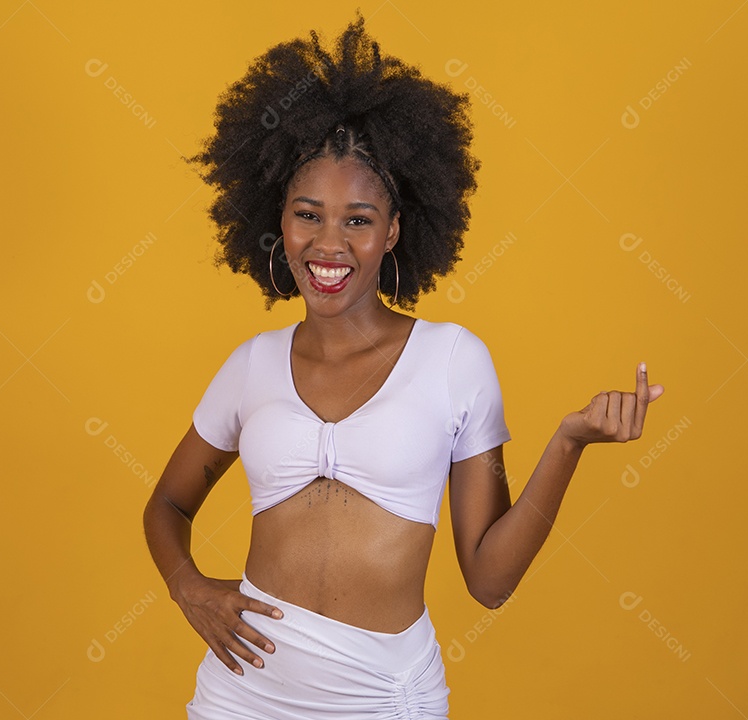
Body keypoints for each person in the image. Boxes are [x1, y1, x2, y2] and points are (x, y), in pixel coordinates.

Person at [142, 13, 664, 720]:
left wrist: (568, 444)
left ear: (392, 231)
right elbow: (167, 506)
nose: (329, 244)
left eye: (357, 219)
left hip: (382, 698)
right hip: (240, 695)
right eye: (308, 215)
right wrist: (188, 586)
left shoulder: (453, 361)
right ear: (280, 222)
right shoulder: (251, 366)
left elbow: (489, 580)